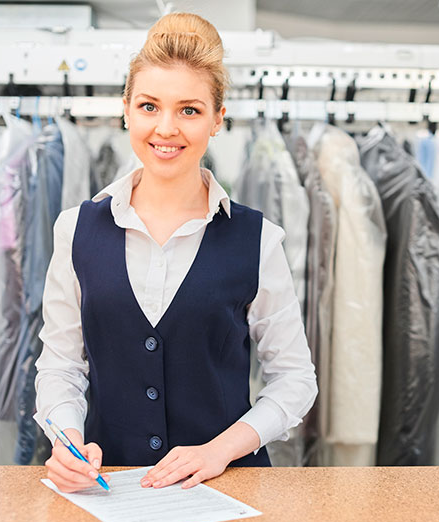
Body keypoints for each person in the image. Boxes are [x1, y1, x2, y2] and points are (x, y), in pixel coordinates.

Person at [33, 12, 317, 493]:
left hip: (227, 489)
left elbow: (294, 379)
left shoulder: (257, 238)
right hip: (111, 487)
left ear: (217, 120)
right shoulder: (75, 229)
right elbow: (60, 364)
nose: (166, 128)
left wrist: (220, 450)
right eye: (148, 106)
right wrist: (69, 440)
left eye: (189, 110)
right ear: (125, 109)